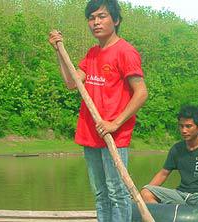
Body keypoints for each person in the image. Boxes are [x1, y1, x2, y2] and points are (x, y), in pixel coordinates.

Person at [48, 0, 148, 221]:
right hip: (90, 132)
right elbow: (72, 83)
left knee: (117, 192)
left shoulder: (125, 52)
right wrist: (59, 52)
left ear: (116, 20)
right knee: (101, 193)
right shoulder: (92, 53)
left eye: (101, 16)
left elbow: (141, 93)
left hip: (114, 134)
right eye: (91, 18)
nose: (96, 22)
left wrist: (115, 123)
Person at [140, 106, 198, 206]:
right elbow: (163, 173)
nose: (184, 130)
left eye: (188, 126)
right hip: (181, 194)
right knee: (146, 192)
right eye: (181, 126)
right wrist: (145, 191)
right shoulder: (177, 149)